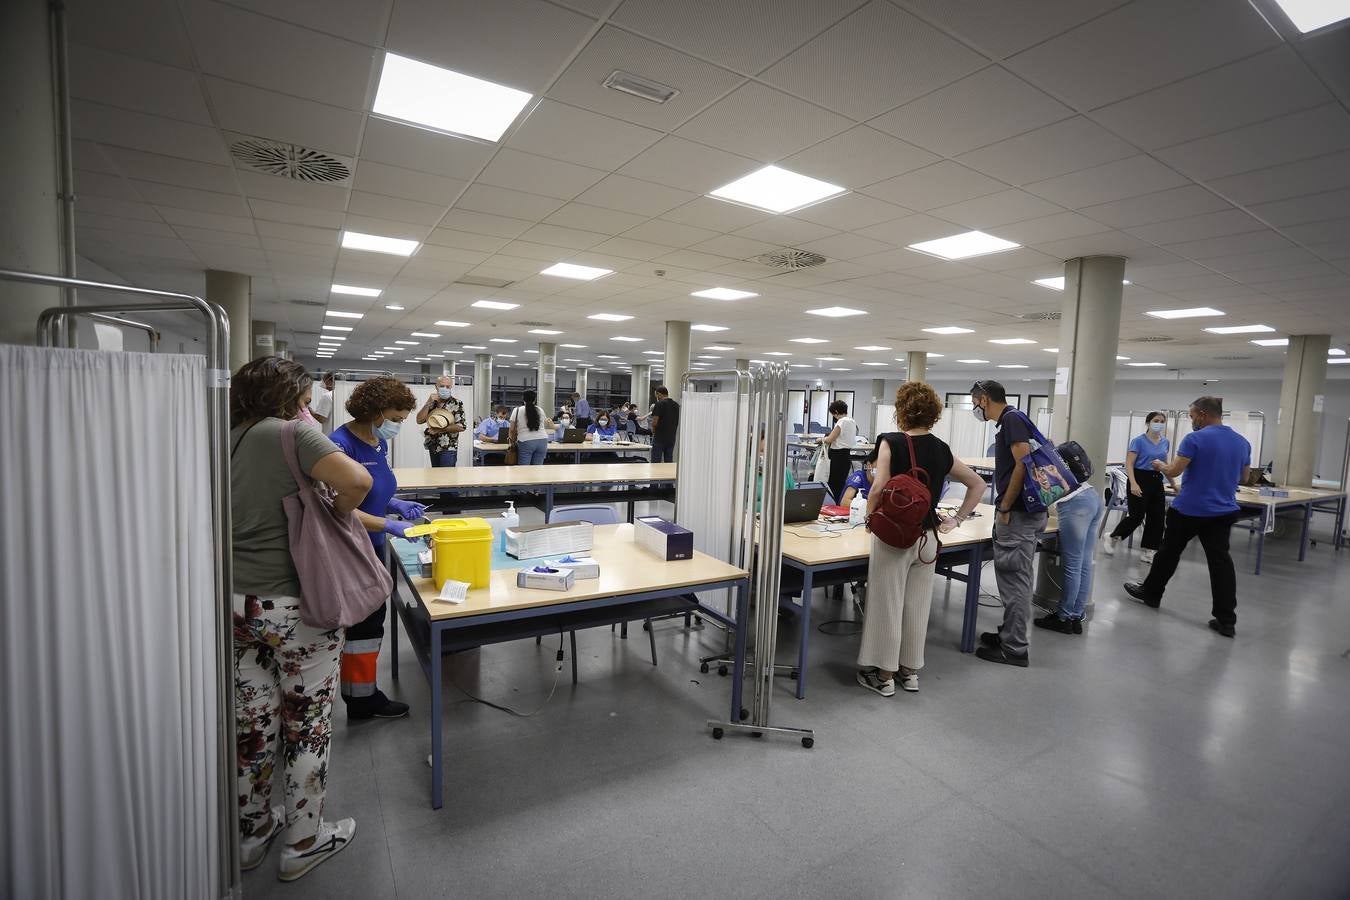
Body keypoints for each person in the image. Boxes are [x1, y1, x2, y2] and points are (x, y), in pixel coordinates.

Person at [230, 357, 372, 880]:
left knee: (252, 723)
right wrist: (330, 509)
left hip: (236, 604)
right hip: (296, 605)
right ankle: (303, 843)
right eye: (305, 397)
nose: (308, 406)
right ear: (290, 395)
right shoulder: (293, 434)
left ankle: (251, 835)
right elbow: (355, 482)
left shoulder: (227, 435)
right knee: (307, 723)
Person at [856, 382, 985, 696]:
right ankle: (910, 673)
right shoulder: (941, 448)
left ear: (901, 412)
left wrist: (869, 518)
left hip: (894, 537)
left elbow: (878, 487)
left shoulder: (891, 442)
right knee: (916, 604)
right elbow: (977, 484)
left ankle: (884, 676)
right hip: (928, 536)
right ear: (934, 414)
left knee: (888, 603)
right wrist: (956, 520)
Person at [329, 377, 426, 720]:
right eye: (396, 419)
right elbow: (337, 508)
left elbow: (371, 491)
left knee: (374, 619)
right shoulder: (340, 446)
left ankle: (364, 691)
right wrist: (388, 523)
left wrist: (394, 503)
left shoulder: (375, 442)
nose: (399, 426)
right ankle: (361, 700)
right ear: (374, 412)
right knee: (363, 625)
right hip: (353, 549)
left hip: (374, 544)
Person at [1125, 397, 1250, 637]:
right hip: (1223, 511)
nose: (1191, 421)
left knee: (1169, 552)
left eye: (1192, 416)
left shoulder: (1195, 439)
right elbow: (1244, 478)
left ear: (1202, 415)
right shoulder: (1242, 442)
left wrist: (1161, 465)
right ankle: (1226, 620)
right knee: (1220, 563)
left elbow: (1174, 470)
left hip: (1190, 509)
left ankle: (1151, 593)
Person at [971, 379, 1046, 668]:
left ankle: (1014, 648)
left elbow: (1022, 463)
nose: (976, 409)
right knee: (1018, 576)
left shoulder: (1012, 420)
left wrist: (1005, 504)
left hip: (1018, 514)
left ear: (984, 400)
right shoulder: (1015, 418)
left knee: (1014, 581)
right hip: (1029, 512)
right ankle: (1009, 633)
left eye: (976, 403)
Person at [1103, 412, 1177, 564]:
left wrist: (1173, 483)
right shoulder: (1138, 441)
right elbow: (1129, 464)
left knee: (1156, 517)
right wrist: (1134, 483)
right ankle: (1113, 536)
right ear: (1148, 422)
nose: (1160, 423)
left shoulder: (1165, 442)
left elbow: (1165, 465)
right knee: (1137, 516)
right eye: (1156, 420)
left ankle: (1149, 550)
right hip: (1139, 478)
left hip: (1156, 480)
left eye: (1162, 421)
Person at [1035, 478, 1105, 636]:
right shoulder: (1062, 454)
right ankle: (1076, 617)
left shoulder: (1043, 457)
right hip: (1091, 495)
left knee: (1073, 564)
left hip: (1074, 501)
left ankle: (1063, 618)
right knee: (1085, 561)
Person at [416, 376, 466, 467]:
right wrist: (428, 402)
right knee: (436, 477)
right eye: (442, 386)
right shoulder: (432, 403)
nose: (445, 389)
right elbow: (419, 420)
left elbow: (461, 426)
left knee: (447, 478)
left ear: (451, 387)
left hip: (448, 447)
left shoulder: (457, 403)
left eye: (448, 386)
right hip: (433, 446)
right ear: (436, 386)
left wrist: (439, 430)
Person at [821, 399, 858, 504]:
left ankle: (832, 504)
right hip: (846, 456)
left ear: (836, 412)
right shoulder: (852, 421)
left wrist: (821, 440)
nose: (833, 416)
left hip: (837, 456)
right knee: (841, 483)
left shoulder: (841, 421)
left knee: (833, 483)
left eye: (833, 414)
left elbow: (830, 439)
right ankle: (838, 504)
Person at [511, 389, 554, 465]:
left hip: (525, 441)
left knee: (524, 469)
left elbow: (511, 430)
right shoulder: (540, 410)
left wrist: (512, 441)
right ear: (535, 400)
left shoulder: (517, 410)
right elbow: (542, 425)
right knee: (537, 468)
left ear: (523, 399)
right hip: (542, 440)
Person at [650, 386, 679, 463]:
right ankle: (669, 475)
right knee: (668, 460)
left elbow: (655, 421)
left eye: (656, 395)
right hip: (671, 437)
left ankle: (655, 475)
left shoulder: (659, 404)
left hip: (659, 437)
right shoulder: (676, 405)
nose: (656, 397)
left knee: (656, 461)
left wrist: (653, 430)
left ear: (659, 394)